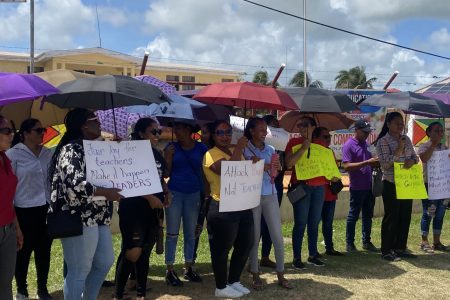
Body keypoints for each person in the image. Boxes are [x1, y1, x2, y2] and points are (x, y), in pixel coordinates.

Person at [48, 108, 122, 300]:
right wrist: (107, 193)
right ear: (83, 125)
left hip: (96, 216)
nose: (99, 123)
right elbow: (75, 185)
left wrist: (117, 150)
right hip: (77, 216)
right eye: (94, 120)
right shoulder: (71, 149)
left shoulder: (95, 148)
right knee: (79, 269)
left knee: (104, 262)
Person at [114, 118, 167, 300]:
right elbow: (125, 182)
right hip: (133, 209)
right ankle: (118, 294)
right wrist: (149, 197)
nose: (157, 135)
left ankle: (141, 294)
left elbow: (160, 178)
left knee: (145, 251)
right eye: (154, 132)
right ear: (141, 133)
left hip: (153, 211)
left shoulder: (156, 153)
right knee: (132, 251)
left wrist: (166, 192)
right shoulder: (129, 152)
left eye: (159, 132)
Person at [203, 120, 254, 298]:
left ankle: (234, 281)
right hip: (222, 207)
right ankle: (221, 287)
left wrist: (254, 164)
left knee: (244, 245)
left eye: (228, 131)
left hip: (242, 205)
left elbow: (244, 175)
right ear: (213, 135)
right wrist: (240, 149)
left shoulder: (234, 151)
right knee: (221, 249)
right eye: (220, 132)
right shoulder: (210, 154)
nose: (225, 136)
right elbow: (230, 173)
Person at [7, 119, 53, 300]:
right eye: (38, 130)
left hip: (45, 208)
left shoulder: (48, 153)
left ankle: (42, 289)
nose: (42, 133)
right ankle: (22, 290)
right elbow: (9, 187)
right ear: (25, 133)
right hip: (24, 209)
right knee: (23, 252)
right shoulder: (13, 154)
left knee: (44, 251)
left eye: (44, 129)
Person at [243, 117, 290, 290]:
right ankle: (255, 274)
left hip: (270, 194)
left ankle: (281, 274)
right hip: (252, 197)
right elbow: (246, 171)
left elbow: (274, 174)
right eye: (261, 130)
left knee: (277, 236)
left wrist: (274, 168)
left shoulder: (271, 149)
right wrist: (263, 165)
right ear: (252, 131)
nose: (265, 133)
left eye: (266, 130)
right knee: (254, 238)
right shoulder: (245, 149)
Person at [163, 120, 208, 286]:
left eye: (179, 128)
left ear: (189, 129)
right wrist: (168, 157)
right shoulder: (171, 147)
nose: (176, 131)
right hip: (174, 193)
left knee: (191, 233)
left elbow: (206, 172)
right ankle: (170, 270)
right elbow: (166, 172)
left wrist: (206, 194)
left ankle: (188, 268)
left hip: (194, 194)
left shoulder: (201, 148)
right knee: (172, 234)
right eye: (175, 128)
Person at [375, 111, 418, 261]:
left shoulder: (407, 139)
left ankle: (400, 247)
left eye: (402, 123)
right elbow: (385, 165)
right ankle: (387, 250)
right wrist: (399, 149)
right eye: (396, 123)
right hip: (391, 183)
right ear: (388, 125)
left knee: (405, 215)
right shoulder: (383, 142)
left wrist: (411, 161)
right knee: (391, 217)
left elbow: (415, 157)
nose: (400, 126)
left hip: (407, 183)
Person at [285, 115, 327, 268]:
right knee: (300, 223)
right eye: (299, 125)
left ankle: (313, 254)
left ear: (313, 127)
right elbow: (289, 164)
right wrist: (303, 148)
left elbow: (326, 165)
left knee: (314, 223)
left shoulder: (321, 144)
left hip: (319, 187)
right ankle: (297, 258)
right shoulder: (293, 142)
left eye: (304, 125)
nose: (301, 128)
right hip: (301, 187)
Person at [342, 119, 379, 253]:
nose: (367, 135)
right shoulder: (349, 145)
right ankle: (349, 244)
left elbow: (371, 161)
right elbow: (346, 166)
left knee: (368, 216)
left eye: (368, 132)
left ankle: (366, 242)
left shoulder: (367, 144)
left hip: (370, 186)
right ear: (356, 130)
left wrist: (375, 162)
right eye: (364, 132)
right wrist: (366, 162)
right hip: (357, 187)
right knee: (353, 215)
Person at [0, 115, 23, 300]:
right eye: (7, 131)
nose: (12, 135)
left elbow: (8, 198)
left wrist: (16, 227)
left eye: (12, 131)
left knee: (5, 284)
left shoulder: (5, 159)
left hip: (7, 229)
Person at [417, 122, 449, 253]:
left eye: (441, 131)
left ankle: (437, 242)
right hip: (429, 186)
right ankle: (424, 241)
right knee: (429, 213)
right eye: (436, 131)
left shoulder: (445, 148)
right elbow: (424, 158)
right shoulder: (424, 146)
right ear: (429, 132)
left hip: (443, 186)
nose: (440, 134)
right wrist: (433, 145)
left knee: (440, 214)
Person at [312, 127, 343, 256]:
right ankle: (312, 250)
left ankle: (329, 247)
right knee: (314, 223)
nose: (328, 139)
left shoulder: (330, 152)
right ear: (316, 138)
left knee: (328, 223)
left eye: (329, 136)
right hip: (316, 193)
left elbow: (334, 171)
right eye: (325, 137)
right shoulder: (312, 152)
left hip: (330, 193)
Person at [260, 114, 285, 268]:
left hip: (276, 188)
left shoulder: (279, 145)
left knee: (270, 224)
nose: (275, 130)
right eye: (271, 127)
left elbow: (283, 166)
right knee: (256, 226)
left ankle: (265, 256)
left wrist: (279, 154)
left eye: (277, 126)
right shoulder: (255, 146)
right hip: (258, 191)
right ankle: (251, 259)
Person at [193, 122, 215, 264]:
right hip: (200, 195)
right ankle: (191, 260)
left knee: (214, 230)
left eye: (205, 132)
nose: (202, 135)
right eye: (202, 132)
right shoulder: (197, 149)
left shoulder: (218, 151)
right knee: (197, 227)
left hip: (215, 196)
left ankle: (216, 259)